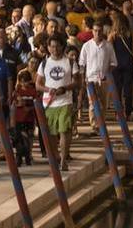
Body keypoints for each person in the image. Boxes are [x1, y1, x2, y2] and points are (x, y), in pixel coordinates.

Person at [36, 36, 76, 172]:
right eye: (52, 46)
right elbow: (38, 84)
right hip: (49, 103)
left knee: (64, 130)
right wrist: (48, 90)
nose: (55, 49)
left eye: (57, 46)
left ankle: (64, 160)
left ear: (62, 46)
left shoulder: (70, 62)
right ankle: (56, 156)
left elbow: (78, 82)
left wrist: (65, 88)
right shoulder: (44, 63)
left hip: (65, 101)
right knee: (52, 133)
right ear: (48, 48)